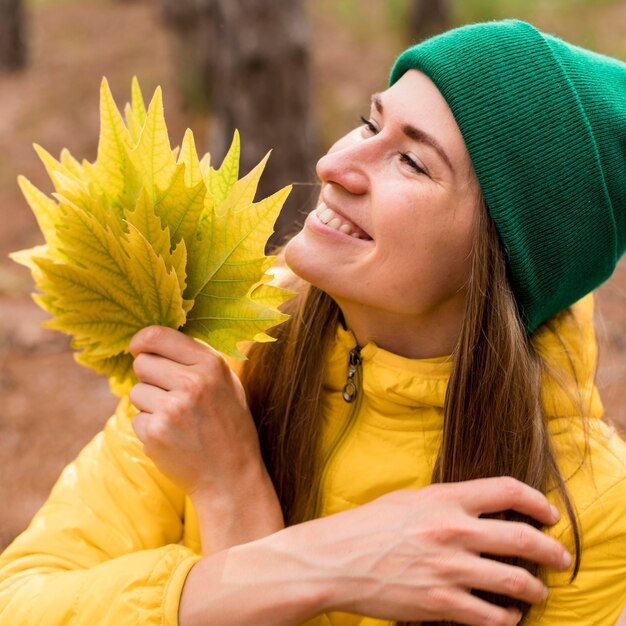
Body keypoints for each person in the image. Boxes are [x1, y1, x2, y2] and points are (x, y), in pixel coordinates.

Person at [1, 18, 625, 626]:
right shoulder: (233, 347)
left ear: (502, 256)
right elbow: (21, 599)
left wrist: (238, 526)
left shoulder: (580, 509)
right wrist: (289, 543)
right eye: (368, 124)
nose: (334, 165)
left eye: (411, 161)